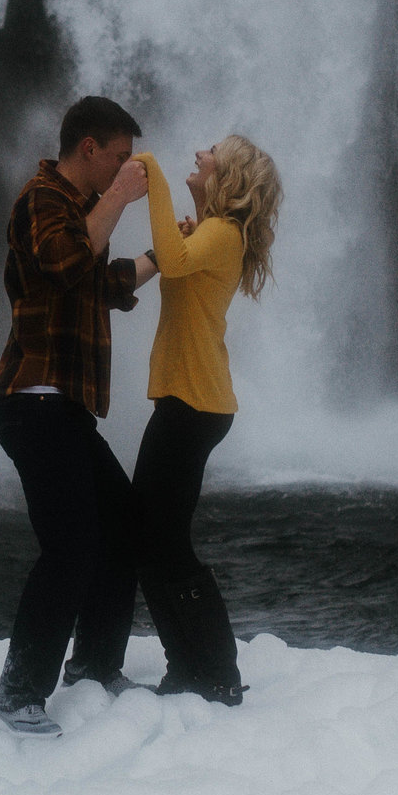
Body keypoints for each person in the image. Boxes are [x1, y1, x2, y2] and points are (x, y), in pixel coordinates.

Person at [0, 96, 164, 736]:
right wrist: (117, 197)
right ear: (88, 148)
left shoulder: (81, 214)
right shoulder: (42, 200)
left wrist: (168, 253)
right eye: (119, 158)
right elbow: (65, 265)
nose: (126, 169)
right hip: (32, 400)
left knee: (119, 525)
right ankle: (17, 694)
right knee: (70, 546)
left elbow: (102, 283)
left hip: (62, 409)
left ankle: (92, 666)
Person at [129, 135, 281, 705]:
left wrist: (148, 170)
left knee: (164, 542)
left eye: (212, 151)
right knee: (153, 539)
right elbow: (175, 258)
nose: (199, 153)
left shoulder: (221, 234)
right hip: (189, 401)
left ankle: (215, 670)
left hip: (193, 404)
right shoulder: (214, 235)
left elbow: (171, 259)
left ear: (231, 174)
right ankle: (191, 667)